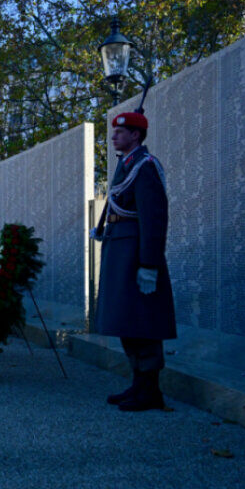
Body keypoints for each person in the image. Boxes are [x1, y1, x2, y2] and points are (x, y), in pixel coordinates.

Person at [94, 111, 177, 412]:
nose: (114, 136)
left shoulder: (146, 167)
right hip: (120, 251)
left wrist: (149, 265)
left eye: (121, 132)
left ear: (136, 136)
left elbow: (154, 219)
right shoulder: (127, 164)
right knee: (127, 322)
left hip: (136, 256)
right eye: (115, 132)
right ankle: (138, 384)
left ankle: (150, 391)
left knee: (143, 322)